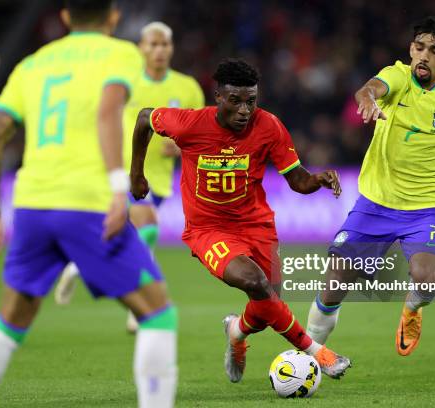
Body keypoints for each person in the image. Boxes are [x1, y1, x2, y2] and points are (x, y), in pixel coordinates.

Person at [0, 1, 177, 407]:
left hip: (31, 208)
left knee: (10, 324)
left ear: (64, 17)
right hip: (87, 207)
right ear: (112, 17)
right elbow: (109, 111)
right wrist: (118, 189)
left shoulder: (32, 64)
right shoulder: (120, 53)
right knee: (158, 313)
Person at [130, 58, 351, 383]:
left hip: (256, 224)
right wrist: (137, 173)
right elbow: (144, 118)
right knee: (255, 282)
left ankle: (235, 331)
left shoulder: (269, 126)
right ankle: (317, 352)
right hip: (208, 229)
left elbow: (296, 179)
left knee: (265, 308)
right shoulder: (189, 124)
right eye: (235, 101)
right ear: (218, 96)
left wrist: (316, 180)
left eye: (251, 101)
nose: (244, 109)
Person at [306, 16, 435, 356]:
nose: (424, 56)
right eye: (419, 47)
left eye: (434, 50)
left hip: (426, 206)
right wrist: (368, 99)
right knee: (333, 286)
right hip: (376, 202)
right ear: (411, 49)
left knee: (427, 280)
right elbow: (369, 88)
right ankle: (307, 356)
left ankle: (412, 309)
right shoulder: (397, 76)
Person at [54, 21, 204, 334]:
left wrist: (180, 144)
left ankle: (80, 265)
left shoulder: (187, 87)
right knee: (148, 227)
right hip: (124, 171)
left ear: (172, 48)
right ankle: (139, 307)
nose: (159, 50)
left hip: (160, 178)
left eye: (164, 44)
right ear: (141, 48)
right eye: (153, 44)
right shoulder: (126, 80)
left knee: (130, 233)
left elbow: (200, 133)